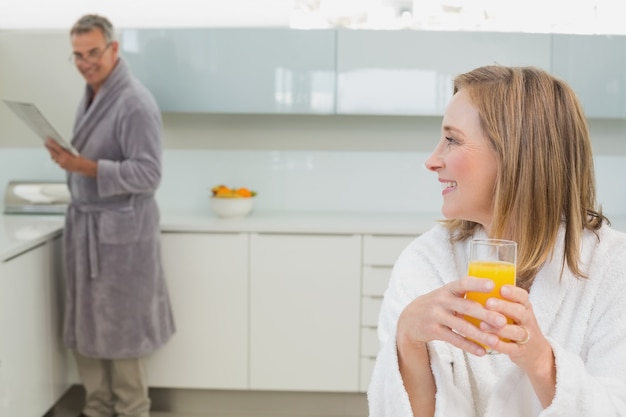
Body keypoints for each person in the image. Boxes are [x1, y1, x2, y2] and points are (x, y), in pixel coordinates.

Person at [367, 65, 626, 416]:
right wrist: (409, 341)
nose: (432, 160)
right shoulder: (425, 261)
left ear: (517, 152)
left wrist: (539, 360)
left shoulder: (613, 267)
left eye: (452, 140)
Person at [45, 14, 175, 417]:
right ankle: (97, 407)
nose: (86, 62)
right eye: (78, 55)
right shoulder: (93, 95)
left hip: (121, 236)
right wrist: (70, 160)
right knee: (89, 326)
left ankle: (133, 409)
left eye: (93, 52)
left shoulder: (134, 103)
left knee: (122, 333)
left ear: (113, 49)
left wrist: (84, 167)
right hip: (90, 229)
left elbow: (150, 173)